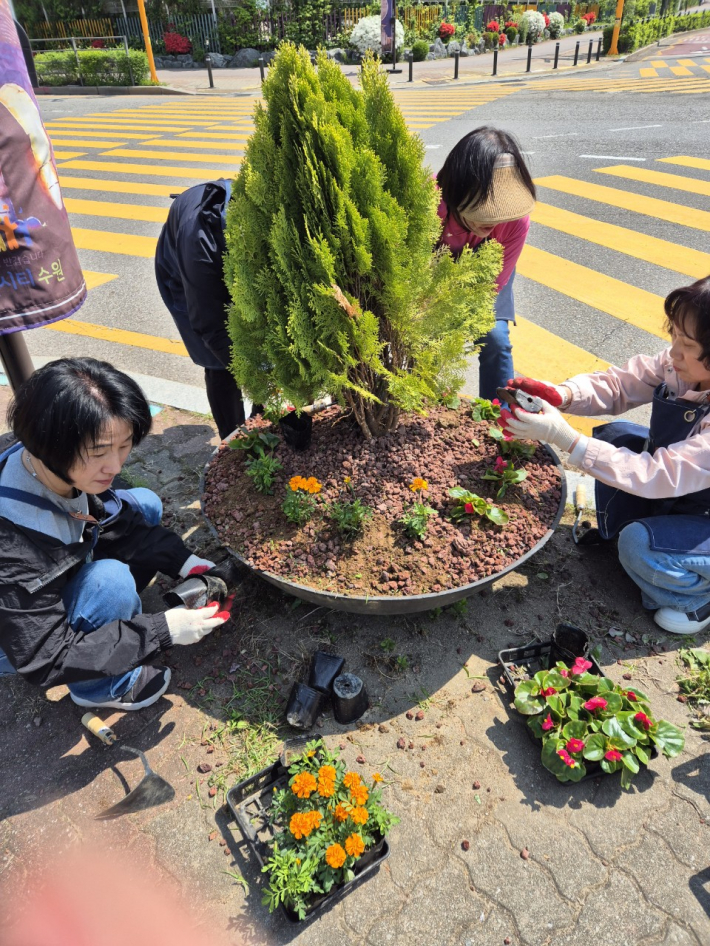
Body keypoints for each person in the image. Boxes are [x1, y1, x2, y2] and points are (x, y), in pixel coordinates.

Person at [0, 357, 231, 709]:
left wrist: (185, 562)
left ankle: (108, 613)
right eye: (99, 451)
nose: (116, 465)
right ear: (50, 443)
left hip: (54, 575)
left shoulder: (42, 459)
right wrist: (162, 631)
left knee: (144, 503)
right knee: (110, 581)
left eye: (124, 445)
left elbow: (113, 521)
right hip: (17, 639)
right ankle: (101, 689)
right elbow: (44, 656)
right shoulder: (13, 543)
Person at [503, 276, 710, 636]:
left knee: (638, 544)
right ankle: (660, 539)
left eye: (688, 344)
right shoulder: (679, 366)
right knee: (617, 437)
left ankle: (696, 598)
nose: (674, 351)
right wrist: (561, 395)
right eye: (674, 334)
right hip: (682, 492)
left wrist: (565, 438)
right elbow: (619, 385)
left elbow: (657, 475)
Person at [436, 126, 536, 399]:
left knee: (495, 339)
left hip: (486, 273)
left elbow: (491, 286)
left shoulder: (516, 221)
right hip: (431, 274)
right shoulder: (430, 204)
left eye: (498, 213)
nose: (491, 223)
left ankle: (499, 413)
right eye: (483, 212)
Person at [155, 179, 253, 441]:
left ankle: (262, 421)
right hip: (181, 265)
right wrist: (256, 380)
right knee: (218, 361)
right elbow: (211, 325)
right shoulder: (200, 244)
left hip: (224, 251)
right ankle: (234, 440)